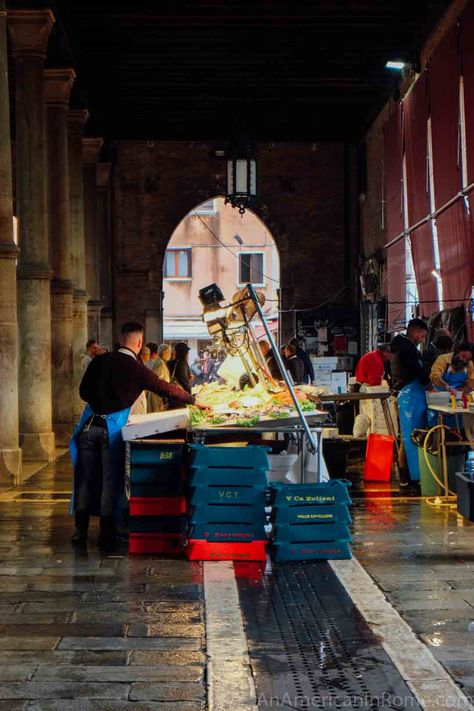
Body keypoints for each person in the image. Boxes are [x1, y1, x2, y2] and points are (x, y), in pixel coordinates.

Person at [70, 323, 208, 549]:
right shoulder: (137, 369)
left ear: (120, 338)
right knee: (108, 481)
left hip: (88, 427)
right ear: (139, 343)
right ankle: (106, 533)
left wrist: (99, 400)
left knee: (84, 478)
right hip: (110, 431)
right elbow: (165, 388)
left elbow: (83, 392)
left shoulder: (99, 361)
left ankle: (79, 532)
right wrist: (195, 401)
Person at [391, 318, 430, 489]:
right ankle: (413, 477)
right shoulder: (407, 349)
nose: (422, 338)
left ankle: (407, 476)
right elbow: (417, 370)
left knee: (408, 438)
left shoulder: (402, 346)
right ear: (415, 331)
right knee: (412, 437)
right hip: (409, 396)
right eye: (422, 335)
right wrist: (429, 386)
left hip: (408, 395)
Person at [429, 342, 474, 440]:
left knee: (458, 429)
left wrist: (458, 391)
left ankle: (457, 447)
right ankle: (437, 444)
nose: (464, 360)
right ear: (457, 351)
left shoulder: (469, 365)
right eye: (463, 356)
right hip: (438, 397)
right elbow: (434, 377)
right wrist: (447, 387)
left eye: (467, 359)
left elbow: (471, 385)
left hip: (456, 397)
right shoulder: (443, 359)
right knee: (439, 428)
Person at [168, 342, 194, 408]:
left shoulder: (173, 362)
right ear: (185, 353)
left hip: (174, 395)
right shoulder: (182, 363)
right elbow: (183, 380)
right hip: (181, 396)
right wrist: (190, 397)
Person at [148, 344, 172, 412]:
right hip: (157, 395)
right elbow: (158, 381)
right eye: (169, 353)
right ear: (164, 353)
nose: (170, 355)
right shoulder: (160, 363)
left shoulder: (160, 362)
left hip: (158, 394)